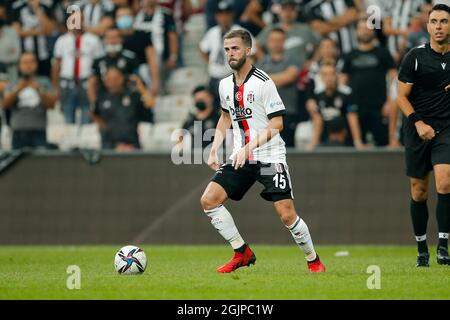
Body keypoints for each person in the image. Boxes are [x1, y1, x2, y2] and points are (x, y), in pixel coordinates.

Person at [200, 29, 325, 273]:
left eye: (235, 48)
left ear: (249, 50)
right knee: (209, 201)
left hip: (269, 156)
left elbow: (277, 124)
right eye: (226, 49)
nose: (230, 54)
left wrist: (248, 147)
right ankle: (242, 252)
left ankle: (314, 261)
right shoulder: (224, 85)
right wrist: (214, 149)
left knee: (287, 215)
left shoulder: (263, 82)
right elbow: (225, 117)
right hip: (241, 157)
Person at [396, 3, 450, 267]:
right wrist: (418, 123)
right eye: (434, 21)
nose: (439, 26)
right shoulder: (414, 57)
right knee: (419, 192)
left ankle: (442, 246)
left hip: (446, 128)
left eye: (444, 21)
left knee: (445, 182)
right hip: (417, 128)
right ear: (427, 26)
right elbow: (401, 98)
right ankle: (421, 249)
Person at [341, 19, 397, 147]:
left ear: (373, 31)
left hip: (380, 107)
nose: (365, 31)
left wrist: (389, 101)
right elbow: (342, 82)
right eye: (361, 28)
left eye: (368, 28)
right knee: (354, 148)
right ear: (356, 32)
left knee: (384, 145)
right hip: (356, 109)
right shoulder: (349, 55)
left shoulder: (383, 53)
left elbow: (394, 79)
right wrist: (348, 105)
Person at [199, 1, 255, 109]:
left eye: (227, 14)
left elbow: (254, 52)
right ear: (216, 16)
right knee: (215, 109)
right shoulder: (212, 32)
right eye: (221, 14)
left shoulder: (241, 32)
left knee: (234, 109)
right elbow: (202, 48)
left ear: (232, 15)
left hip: (233, 78)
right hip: (214, 77)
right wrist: (211, 63)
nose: (224, 17)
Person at [52, 11, 104, 125]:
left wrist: (96, 83)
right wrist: (56, 87)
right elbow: (56, 65)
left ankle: (85, 142)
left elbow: (100, 63)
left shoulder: (93, 39)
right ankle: (70, 142)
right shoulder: (62, 40)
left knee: (87, 116)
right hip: (67, 83)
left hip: (86, 83)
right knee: (67, 117)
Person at [91, 67, 155, 151]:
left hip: (132, 146)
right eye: (109, 79)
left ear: (122, 78)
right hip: (109, 148)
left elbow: (151, 103)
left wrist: (140, 86)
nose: (112, 82)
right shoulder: (101, 98)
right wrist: (105, 128)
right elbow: (94, 114)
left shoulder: (133, 96)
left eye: (115, 78)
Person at [2, 52, 56, 149]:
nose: (28, 65)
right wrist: (18, 89)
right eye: (25, 62)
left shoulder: (44, 81)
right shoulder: (13, 83)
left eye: (32, 62)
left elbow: (51, 105)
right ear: (19, 65)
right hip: (18, 131)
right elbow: (5, 104)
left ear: (37, 64)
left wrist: (39, 90)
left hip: (39, 131)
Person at [256, 28, 300, 147]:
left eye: (279, 40)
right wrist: (280, 78)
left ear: (284, 41)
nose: (276, 43)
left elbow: (290, 76)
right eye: (273, 40)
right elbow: (256, 83)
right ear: (268, 42)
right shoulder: (261, 62)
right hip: (265, 114)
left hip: (287, 111)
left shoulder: (292, 59)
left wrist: (267, 80)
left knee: (287, 151)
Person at [306, 62, 363, 149]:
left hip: (345, 141)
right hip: (324, 141)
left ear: (336, 76)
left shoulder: (346, 94)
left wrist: (357, 142)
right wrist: (313, 143)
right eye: (325, 75)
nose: (328, 78)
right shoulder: (317, 95)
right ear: (321, 77)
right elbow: (317, 119)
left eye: (331, 74)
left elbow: (352, 117)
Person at [88, 27, 139, 104]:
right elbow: (92, 83)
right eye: (109, 38)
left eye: (115, 38)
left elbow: (137, 81)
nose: (112, 41)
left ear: (121, 39)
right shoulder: (98, 61)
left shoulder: (130, 59)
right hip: (104, 101)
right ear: (104, 40)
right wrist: (94, 104)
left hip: (126, 101)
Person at [176, 85, 219, 151]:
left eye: (202, 99)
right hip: (194, 158)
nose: (200, 102)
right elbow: (180, 140)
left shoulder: (219, 119)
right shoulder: (189, 121)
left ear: (211, 98)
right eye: (198, 100)